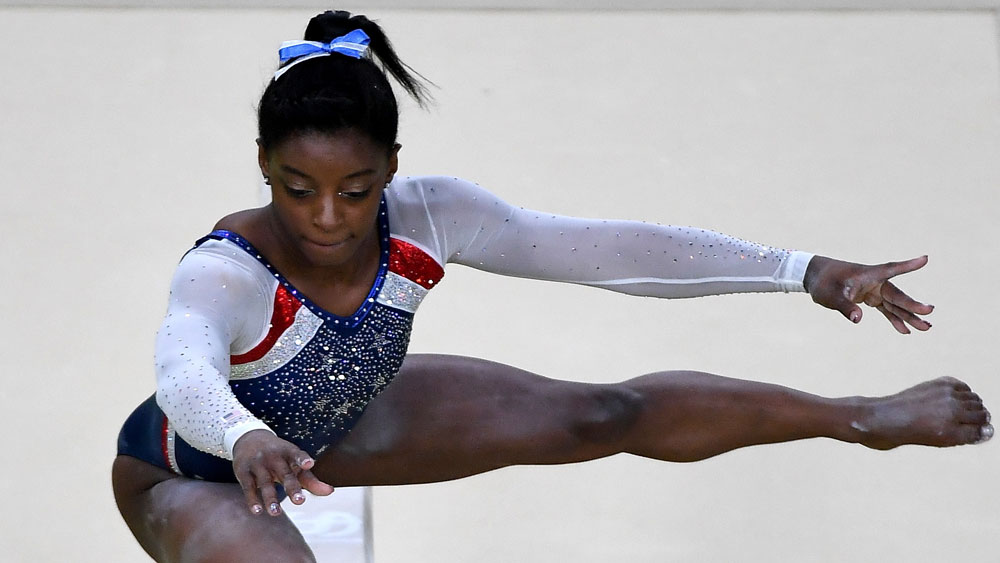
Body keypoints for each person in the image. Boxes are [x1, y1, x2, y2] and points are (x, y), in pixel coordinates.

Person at [112, 10, 992, 562]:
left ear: (392, 169)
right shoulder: (226, 269)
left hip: (344, 420)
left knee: (599, 416)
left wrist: (805, 271)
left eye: (358, 188)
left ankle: (861, 417)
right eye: (298, 189)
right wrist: (242, 434)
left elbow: (609, 251)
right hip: (193, 466)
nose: (331, 218)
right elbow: (184, 371)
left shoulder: (429, 215)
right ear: (263, 164)